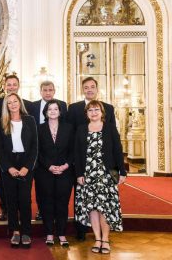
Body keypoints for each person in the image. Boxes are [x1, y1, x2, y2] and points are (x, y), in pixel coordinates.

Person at [66, 77, 116, 241]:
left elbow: (114, 140)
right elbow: (70, 135)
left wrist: (117, 168)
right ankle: (81, 231)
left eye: (92, 87)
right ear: (82, 89)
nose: (89, 90)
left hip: (104, 165)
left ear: (97, 89)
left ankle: (104, 236)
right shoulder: (73, 108)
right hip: (82, 162)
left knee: (104, 201)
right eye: (86, 87)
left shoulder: (108, 108)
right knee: (82, 198)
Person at [74, 100, 126, 254]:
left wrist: (122, 172)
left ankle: (105, 239)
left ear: (102, 113)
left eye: (97, 109)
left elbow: (118, 150)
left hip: (106, 174)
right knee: (92, 208)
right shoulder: (81, 129)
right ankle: (97, 238)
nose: (94, 112)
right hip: (88, 174)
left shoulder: (109, 128)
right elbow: (77, 153)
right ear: (87, 114)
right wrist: (79, 174)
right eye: (90, 110)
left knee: (105, 208)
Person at [0, 92, 37, 248]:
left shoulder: (30, 120)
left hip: (26, 163)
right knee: (11, 200)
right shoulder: (2, 122)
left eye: (15, 101)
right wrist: (9, 168)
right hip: (9, 164)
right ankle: (15, 231)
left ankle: (26, 231)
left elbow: (35, 146)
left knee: (25, 200)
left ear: (20, 103)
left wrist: (27, 166)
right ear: (6, 106)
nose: (12, 104)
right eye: (9, 102)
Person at [0, 74, 33, 221]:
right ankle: (5, 209)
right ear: (4, 86)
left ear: (18, 86)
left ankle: (21, 214)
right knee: (3, 185)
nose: (11, 87)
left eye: (14, 84)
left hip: (24, 154)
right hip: (5, 153)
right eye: (8, 84)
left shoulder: (29, 105)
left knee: (24, 190)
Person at [35, 100, 74, 247]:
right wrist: (49, 166)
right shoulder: (39, 128)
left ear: (60, 111)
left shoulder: (69, 128)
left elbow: (73, 150)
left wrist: (65, 165)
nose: (52, 111)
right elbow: (37, 151)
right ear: (45, 112)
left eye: (55, 109)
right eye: (49, 109)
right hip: (45, 172)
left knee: (62, 203)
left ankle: (62, 234)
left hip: (65, 172)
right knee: (47, 203)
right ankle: (50, 233)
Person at [30, 81, 67, 221]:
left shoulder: (62, 104)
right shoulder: (32, 106)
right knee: (41, 186)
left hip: (58, 153)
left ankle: (56, 213)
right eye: (45, 90)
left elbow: (65, 127)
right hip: (39, 152)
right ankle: (41, 209)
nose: (47, 92)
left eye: (50, 90)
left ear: (54, 90)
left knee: (58, 189)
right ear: (40, 91)